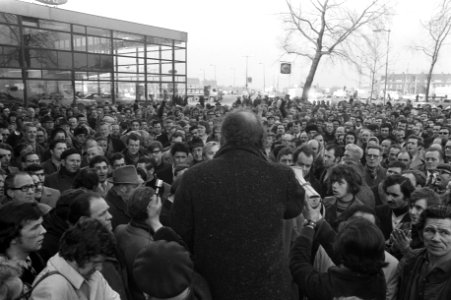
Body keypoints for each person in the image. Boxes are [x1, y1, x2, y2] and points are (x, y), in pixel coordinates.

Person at [171, 109, 304, 300]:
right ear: (261, 139)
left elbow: (180, 233)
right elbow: (295, 208)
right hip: (269, 289)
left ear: (223, 138)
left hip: (214, 289)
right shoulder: (280, 175)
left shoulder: (194, 177)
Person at [290, 208, 387, 299]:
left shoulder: (327, 287)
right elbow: (346, 252)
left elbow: (298, 263)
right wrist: (319, 220)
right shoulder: (378, 279)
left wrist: (310, 225)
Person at [30, 219, 120, 300]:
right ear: (76, 255)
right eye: (95, 262)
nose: (99, 268)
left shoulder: (92, 274)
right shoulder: (51, 288)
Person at [396, 205, 451, 299]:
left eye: (444, 232)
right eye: (429, 230)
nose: (436, 238)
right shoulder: (410, 261)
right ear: (421, 234)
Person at [0, 202, 46, 287]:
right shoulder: (5, 279)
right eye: (35, 228)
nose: (43, 231)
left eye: (41, 225)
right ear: (13, 237)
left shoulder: (35, 257)